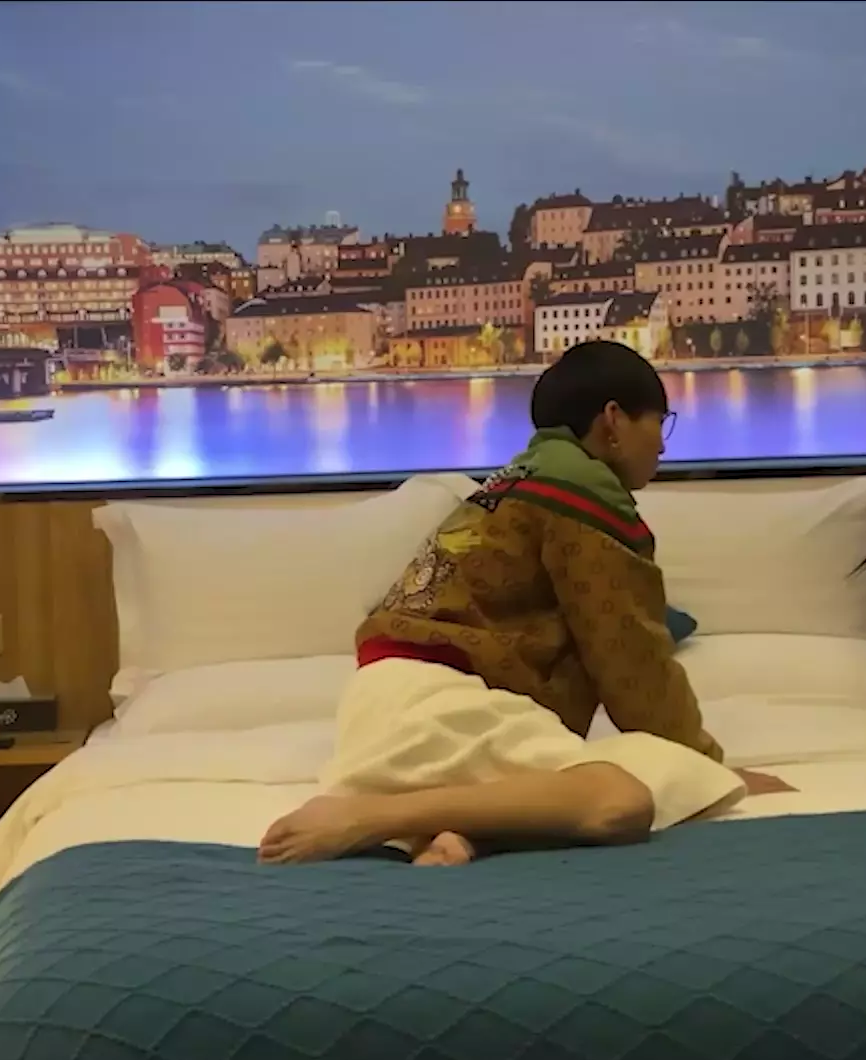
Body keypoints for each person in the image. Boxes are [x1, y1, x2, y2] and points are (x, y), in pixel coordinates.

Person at [260, 342, 781, 867]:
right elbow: (633, 663)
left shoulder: (511, 486)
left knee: (583, 781)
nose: (663, 446)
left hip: (378, 704)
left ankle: (462, 830)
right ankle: (372, 817)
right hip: (446, 703)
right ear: (613, 420)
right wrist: (707, 768)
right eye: (660, 422)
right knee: (622, 799)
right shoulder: (585, 501)